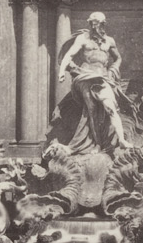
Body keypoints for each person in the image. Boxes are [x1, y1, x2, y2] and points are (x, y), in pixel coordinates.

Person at [51, 11, 132, 155]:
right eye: (94, 24)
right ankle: (97, 144)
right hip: (85, 77)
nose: (96, 27)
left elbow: (118, 58)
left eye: (99, 24)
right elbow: (69, 55)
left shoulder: (109, 41)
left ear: (104, 24)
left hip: (103, 78)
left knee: (111, 107)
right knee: (92, 110)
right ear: (90, 24)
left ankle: (121, 140)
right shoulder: (82, 39)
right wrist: (62, 71)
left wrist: (113, 70)